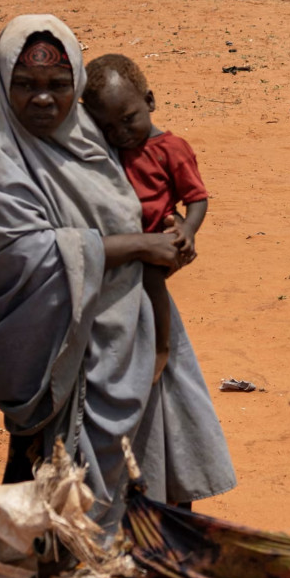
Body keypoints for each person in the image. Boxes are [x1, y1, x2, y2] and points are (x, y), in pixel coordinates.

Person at [0, 15, 236, 525]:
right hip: (52, 338)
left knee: (147, 470)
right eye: (25, 85)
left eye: (59, 85)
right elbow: (21, 257)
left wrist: (169, 233)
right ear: (2, 82)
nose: (44, 99)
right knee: (61, 488)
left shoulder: (92, 131)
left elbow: (144, 191)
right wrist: (138, 245)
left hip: (132, 323)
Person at [80, 53, 210, 388]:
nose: (121, 133)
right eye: (108, 128)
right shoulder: (111, 152)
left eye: (128, 119)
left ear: (149, 101)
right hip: (122, 240)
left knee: (153, 282)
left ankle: (161, 347)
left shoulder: (171, 149)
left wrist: (187, 230)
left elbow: (196, 197)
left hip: (155, 236)